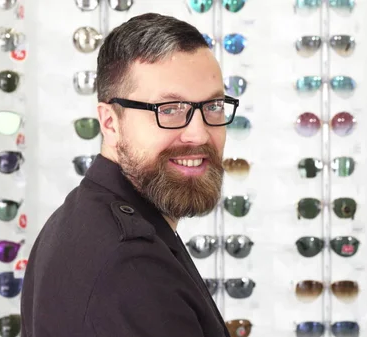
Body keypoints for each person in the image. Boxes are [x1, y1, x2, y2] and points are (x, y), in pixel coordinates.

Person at [20, 13, 238, 337]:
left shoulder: (77, 219)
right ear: (110, 123)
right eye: (169, 109)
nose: (200, 134)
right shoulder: (131, 267)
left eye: (214, 106)